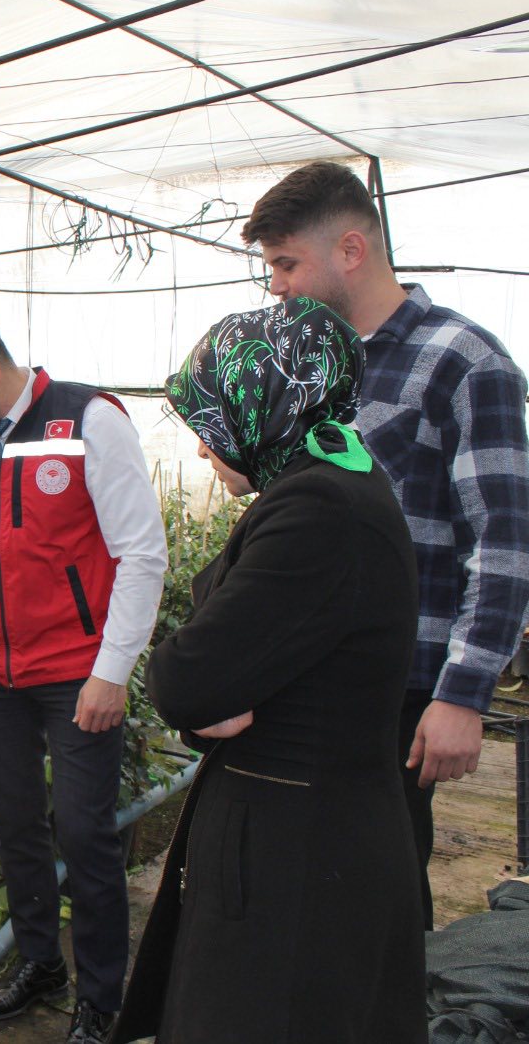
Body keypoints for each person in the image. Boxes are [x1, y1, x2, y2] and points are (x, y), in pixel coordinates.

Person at [111, 297, 426, 1044]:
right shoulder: (337, 482)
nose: (201, 450)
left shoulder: (318, 507)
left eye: (211, 425)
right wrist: (213, 687)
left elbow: (187, 678)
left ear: (266, 405)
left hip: (299, 859)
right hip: (308, 834)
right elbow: (215, 672)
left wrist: (197, 690)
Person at [242, 160, 529, 928]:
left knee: (380, 886)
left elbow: (504, 543)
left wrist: (464, 695)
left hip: (396, 686)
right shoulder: (305, 365)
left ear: (350, 250)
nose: (276, 286)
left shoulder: (465, 361)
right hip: (305, 675)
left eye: (285, 263)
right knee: (304, 885)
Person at [0, 312, 167, 1044]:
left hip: (74, 675)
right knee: (18, 827)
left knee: (84, 833)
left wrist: (111, 671)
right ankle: (38, 965)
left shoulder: (89, 419)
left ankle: (103, 998)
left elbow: (142, 553)